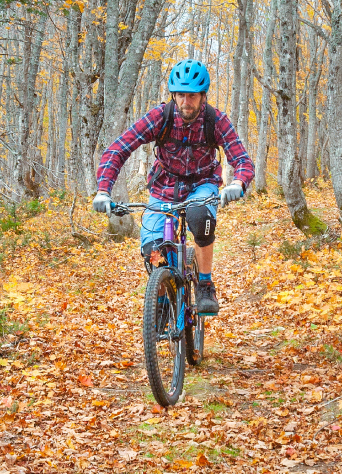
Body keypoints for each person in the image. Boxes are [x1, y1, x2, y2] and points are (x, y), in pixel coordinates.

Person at [91, 59, 255, 315]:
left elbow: (241, 159)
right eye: (180, 95)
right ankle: (162, 296)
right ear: (173, 95)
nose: (185, 102)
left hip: (202, 185)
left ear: (202, 96)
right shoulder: (160, 117)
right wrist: (103, 190)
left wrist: (238, 182)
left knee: (200, 219)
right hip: (164, 188)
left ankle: (204, 284)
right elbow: (118, 149)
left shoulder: (215, 120)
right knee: (152, 249)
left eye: (192, 96)